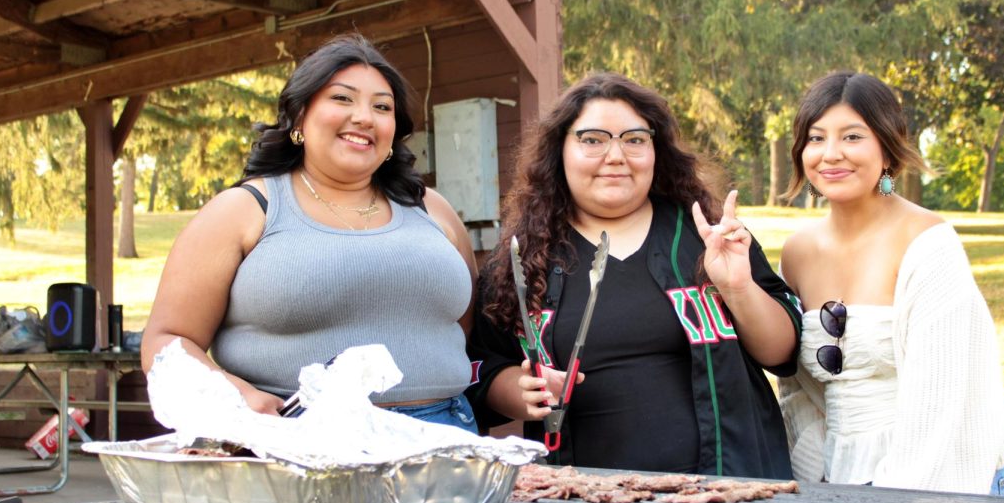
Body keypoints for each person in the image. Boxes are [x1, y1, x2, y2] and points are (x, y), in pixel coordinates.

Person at [467, 72, 801, 477]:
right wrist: (519, 393)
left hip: (729, 488)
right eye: (592, 139)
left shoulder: (706, 237)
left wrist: (738, 288)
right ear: (560, 151)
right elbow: (482, 367)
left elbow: (781, 353)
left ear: (656, 150)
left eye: (634, 139)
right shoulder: (521, 258)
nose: (615, 155)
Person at [142, 33, 480, 432]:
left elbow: (463, 329)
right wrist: (238, 397)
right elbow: (167, 341)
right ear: (300, 116)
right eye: (342, 98)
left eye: (382, 106)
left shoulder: (432, 210)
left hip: (446, 439)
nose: (364, 117)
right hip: (297, 442)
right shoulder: (243, 211)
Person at [777, 71, 1004, 494]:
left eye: (852, 137)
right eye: (816, 139)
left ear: (887, 148)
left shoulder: (928, 242)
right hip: (838, 482)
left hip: (938, 484)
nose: (831, 154)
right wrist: (812, 476)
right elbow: (798, 390)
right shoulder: (797, 253)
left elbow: (938, 400)